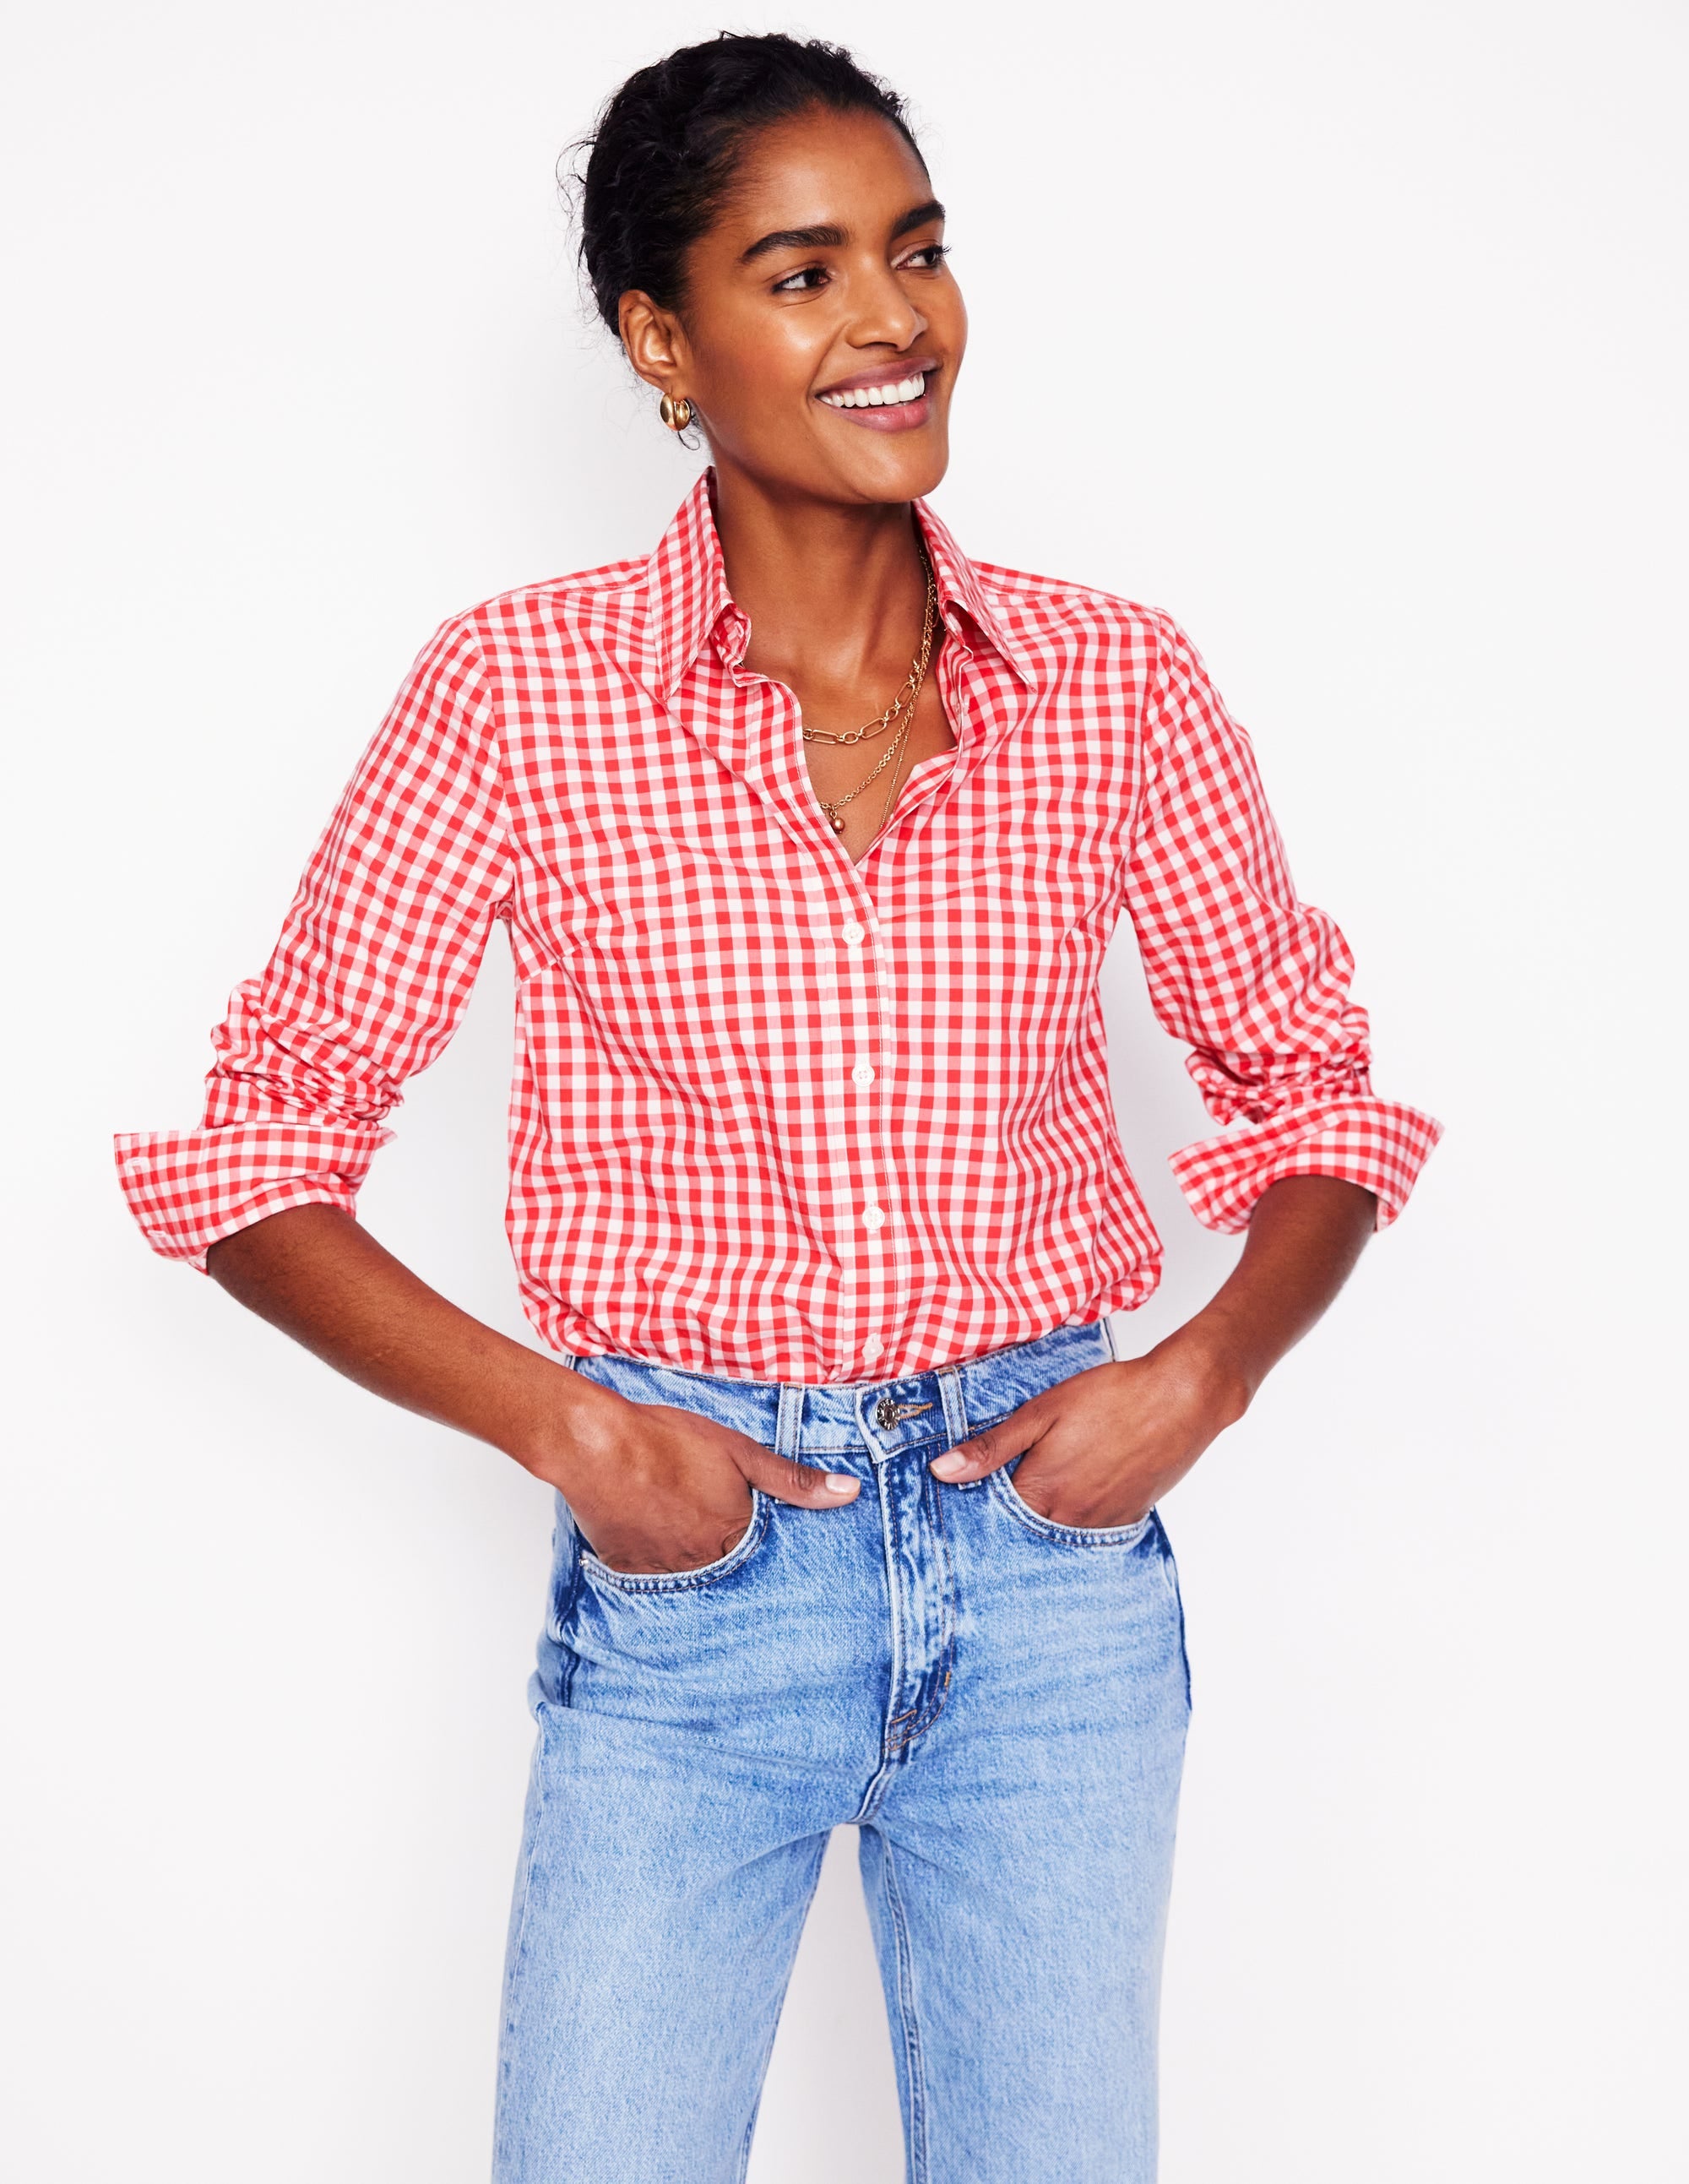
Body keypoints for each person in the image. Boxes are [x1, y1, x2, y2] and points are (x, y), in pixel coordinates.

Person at [114, 31, 1441, 2184]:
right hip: (698, 1570)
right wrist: (573, 1433)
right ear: (664, 337)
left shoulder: (1115, 678)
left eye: (914, 254)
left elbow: (1312, 1080)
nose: (894, 321)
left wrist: (1197, 1379)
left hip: (1049, 1578)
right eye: (803, 273)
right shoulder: (514, 693)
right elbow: (260, 1151)